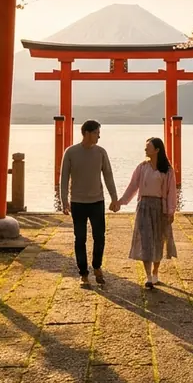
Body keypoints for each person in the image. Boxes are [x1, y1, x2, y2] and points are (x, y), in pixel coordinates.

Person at [60, 119, 119, 287]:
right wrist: (64, 201)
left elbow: (108, 175)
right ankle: (83, 273)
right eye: (96, 133)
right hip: (77, 202)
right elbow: (64, 178)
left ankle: (97, 266)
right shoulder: (71, 152)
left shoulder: (101, 152)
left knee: (99, 237)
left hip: (97, 201)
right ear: (86, 133)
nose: (99, 136)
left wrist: (114, 198)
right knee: (80, 238)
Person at [115, 137, 178, 289]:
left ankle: (155, 271)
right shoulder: (142, 167)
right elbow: (133, 186)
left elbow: (171, 193)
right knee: (145, 240)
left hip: (159, 207)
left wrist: (170, 211)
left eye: (148, 147)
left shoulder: (167, 171)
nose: (145, 150)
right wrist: (121, 202)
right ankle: (148, 276)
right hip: (144, 206)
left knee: (158, 240)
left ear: (157, 150)